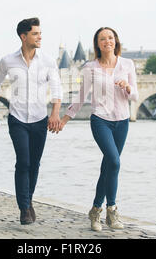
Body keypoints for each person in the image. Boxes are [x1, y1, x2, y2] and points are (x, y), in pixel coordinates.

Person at [59, 27, 139, 232]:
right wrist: (64, 119)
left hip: (122, 121)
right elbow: (81, 96)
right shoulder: (90, 68)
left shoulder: (127, 64)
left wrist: (127, 87)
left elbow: (135, 95)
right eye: (102, 39)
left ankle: (95, 210)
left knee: (108, 167)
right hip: (100, 120)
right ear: (98, 44)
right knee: (114, 161)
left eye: (110, 38)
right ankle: (112, 210)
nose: (107, 42)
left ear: (116, 41)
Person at [0, 17, 62, 225]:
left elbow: (57, 88)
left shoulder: (48, 61)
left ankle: (28, 200)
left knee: (35, 164)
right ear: (24, 36)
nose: (40, 37)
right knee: (23, 162)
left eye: (40, 33)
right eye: (35, 33)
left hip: (40, 119)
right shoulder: (7, 61)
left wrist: (55, 113)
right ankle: (24, 208)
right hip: (17, 118)